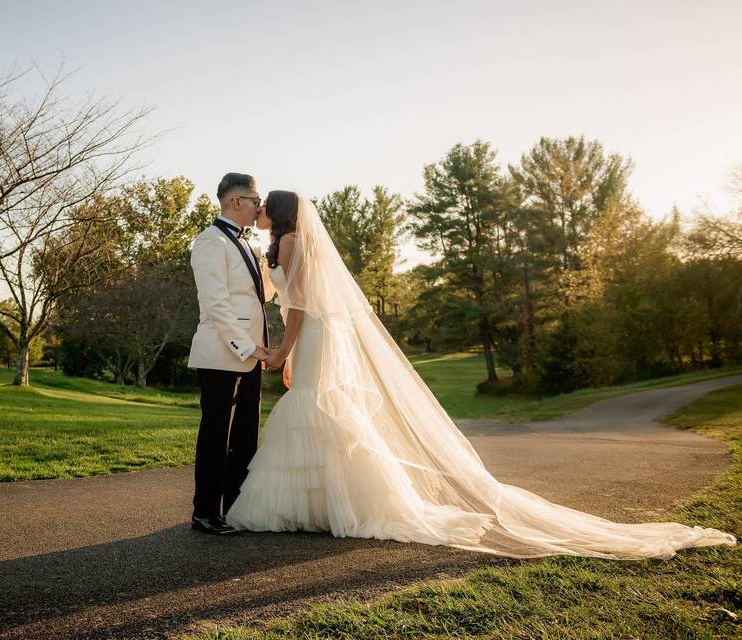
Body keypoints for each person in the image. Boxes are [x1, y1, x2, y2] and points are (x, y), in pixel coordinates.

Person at [223, 190, 737, 560]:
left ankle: (333, 506)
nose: (261, 208)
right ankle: (328, 505)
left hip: (311, 336)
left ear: (283, 214)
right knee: (320, 407)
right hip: (316, 339)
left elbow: (301, 309)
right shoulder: (288, 243)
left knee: (317, 406)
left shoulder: (289, 244)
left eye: (266, 204)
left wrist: (282, 352)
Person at [186, 172, 271, 535]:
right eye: (256, 200)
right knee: (216, 433)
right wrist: (247, 347)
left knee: (245, 434)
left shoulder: (248, 245)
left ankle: (235, 508)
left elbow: (262, 295)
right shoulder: (209, 242)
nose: (259, 208)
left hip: (253, 355)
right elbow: (215, 303)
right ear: (237, 201)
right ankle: (205, 512)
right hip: (223, 353)